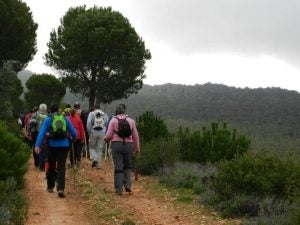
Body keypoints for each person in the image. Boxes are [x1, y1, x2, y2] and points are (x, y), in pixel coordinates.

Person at [34, 104, 77, 198]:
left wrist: (37, 145)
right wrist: (73, 139)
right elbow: (74, 132)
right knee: (61, 166)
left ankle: (50, 186)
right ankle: (61, 188)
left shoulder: (48, 119)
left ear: (50, 110)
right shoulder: (64, 118)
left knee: (51, 165)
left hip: (52, 146)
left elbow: (41, 133)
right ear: (59, 110)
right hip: (64, 145)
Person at [104, 104, 140, 195]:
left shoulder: (113, 120)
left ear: (116, 111)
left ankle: (118, 189)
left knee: (118, 167)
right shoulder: (131, 121)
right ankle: (127, 185)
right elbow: (135, 136)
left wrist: (106, 139)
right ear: (124, 111)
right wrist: (137, 148)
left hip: (117, 145)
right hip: (129, 145)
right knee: (128, 166)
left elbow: (108, 135)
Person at [86, 104, 108, 169]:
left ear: (94, 108)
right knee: (99, 148)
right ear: (100, 108)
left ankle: (94, 158)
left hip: (94, 131)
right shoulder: (104, 114)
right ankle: (98, 165)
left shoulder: (91, 113)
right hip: (102, 132)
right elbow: (107, 123)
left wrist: (89, 132)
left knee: (91, 147)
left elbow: (88, 123)